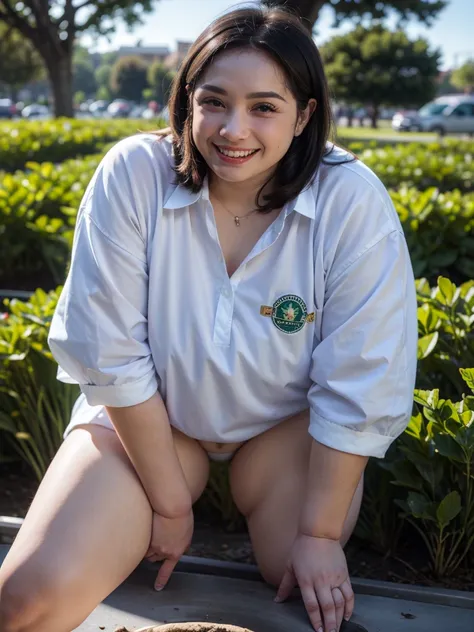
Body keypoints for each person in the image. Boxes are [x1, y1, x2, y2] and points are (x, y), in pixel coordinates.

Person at [0, 6, 418, 632]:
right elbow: (107, 348)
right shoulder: (134, 174)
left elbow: (362, 372)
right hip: (150, 425)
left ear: (304, 115)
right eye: (214, 101)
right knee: (26, 603)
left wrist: (321, 534)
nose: (233, 129)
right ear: (187, 100)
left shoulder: (350, 199)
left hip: (283, 436)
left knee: (297, 579)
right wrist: (168, 505)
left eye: (265, 107)